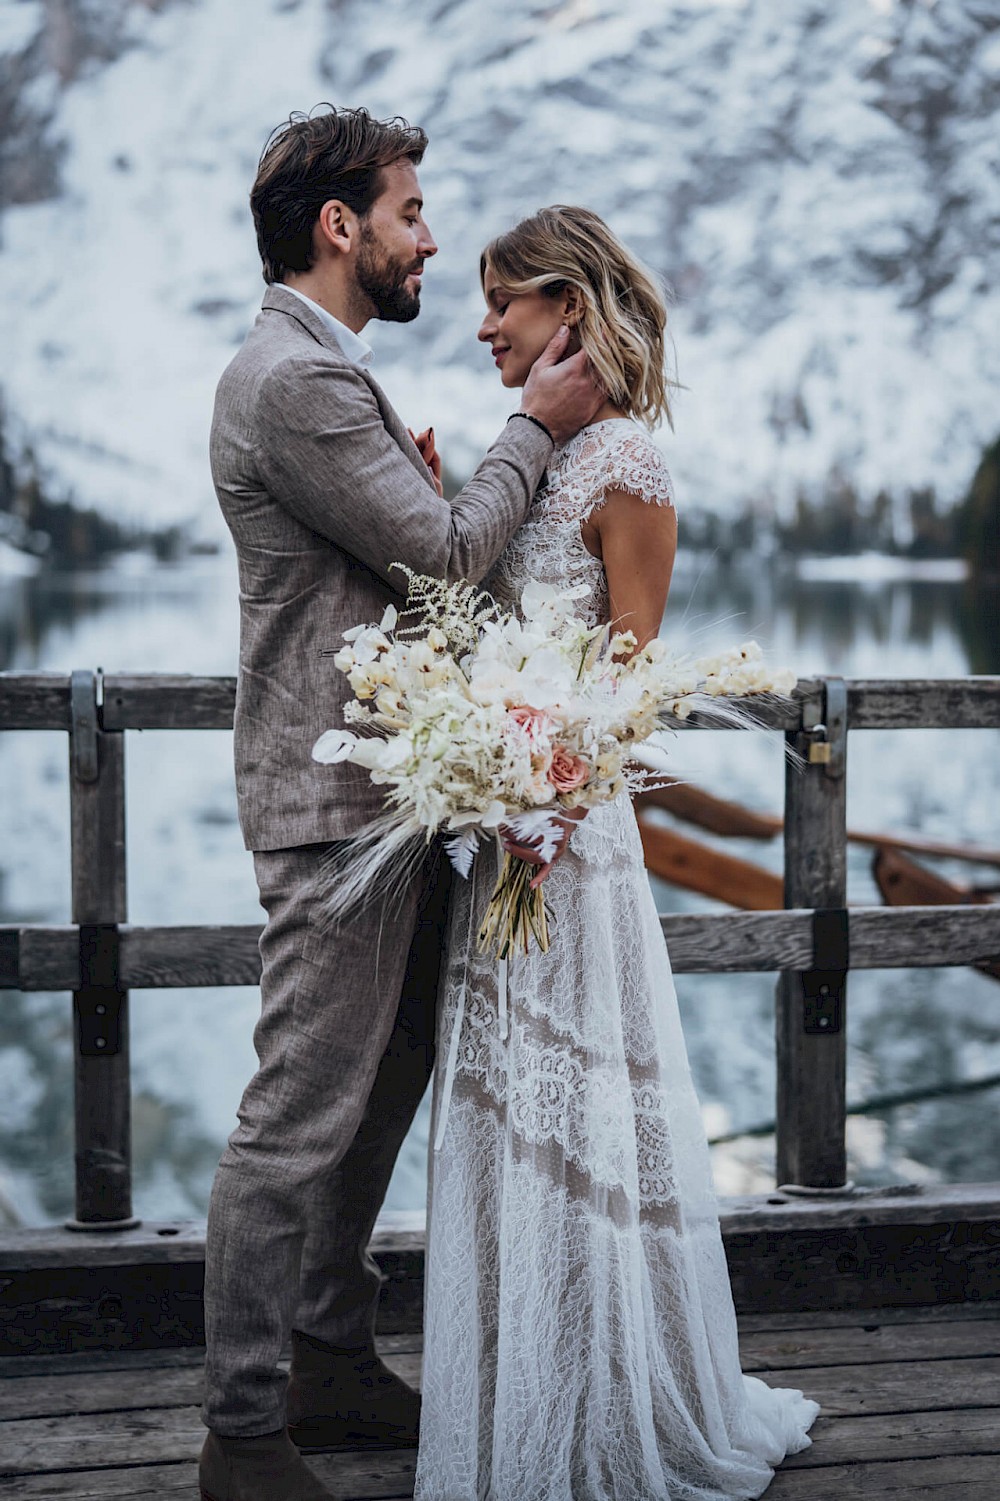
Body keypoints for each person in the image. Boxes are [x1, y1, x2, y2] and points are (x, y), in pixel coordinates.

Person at [199, 111, 604, 1501]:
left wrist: (431, 485)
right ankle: (243, 1429)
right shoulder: (297, 381)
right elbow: (440, 551)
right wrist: (530, 430)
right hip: (334, 807)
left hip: (395, 796)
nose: (428, 237)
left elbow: (397, 565)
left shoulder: (322, 373)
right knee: (295, 1116)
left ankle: (329, 1351)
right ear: (340, 227)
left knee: (384, 1084)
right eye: (412, 212)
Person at [414, 205, 820, 1500]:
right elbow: (487, 627)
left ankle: (609, 1402)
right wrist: (440, 515)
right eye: (481, 302)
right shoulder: (527, 451)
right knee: (499, 1126)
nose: (483, 325)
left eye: (505, 302)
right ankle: (519, 1389)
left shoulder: (630, 468)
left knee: (581, 1123)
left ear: (568, 312)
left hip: (568, 856)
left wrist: (541, 795)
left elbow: (629, 690)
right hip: (502, 845)